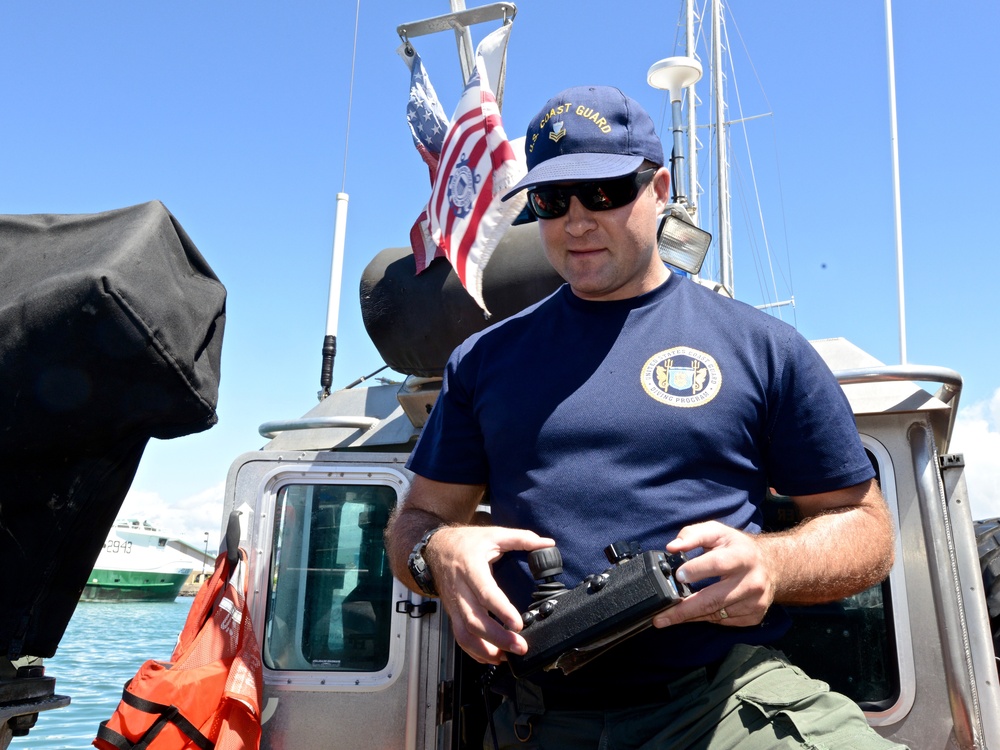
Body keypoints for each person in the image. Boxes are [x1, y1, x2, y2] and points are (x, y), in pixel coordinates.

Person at [385, 85, 904, 749]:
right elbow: (417, 521)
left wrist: (770, 565)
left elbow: (867, 530)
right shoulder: (483, 362)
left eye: (603, 192)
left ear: (659, 188)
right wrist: (436, 551)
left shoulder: (762, 348)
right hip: (542, 715)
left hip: (722, 701)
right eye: (551, 200)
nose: (576, 220)